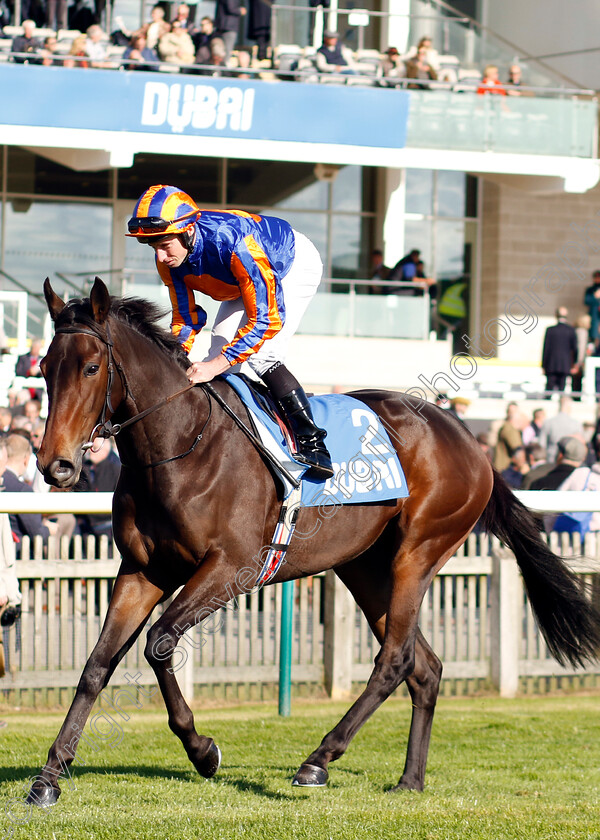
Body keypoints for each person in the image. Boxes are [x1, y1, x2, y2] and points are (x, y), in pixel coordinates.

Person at [126, 184, 334, 478]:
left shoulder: (237, 244)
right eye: (153, 247)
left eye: (164, 246)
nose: (159, 257)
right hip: (240, 278)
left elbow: (265, 320)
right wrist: (172, 359)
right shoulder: (170, 260)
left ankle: (313, 442)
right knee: (218, 355)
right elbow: (185, 319)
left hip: (287, 265)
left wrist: (215, 365)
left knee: (261, 354)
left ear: (186, 232)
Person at [2, 434, 58, 551]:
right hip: (16, 555)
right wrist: (49, 530)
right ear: (26, 459)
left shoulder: (5, 481)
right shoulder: (22, 490)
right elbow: (37, 534)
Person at [77, 442, 121, 542]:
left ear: (105, 450)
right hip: (85, 528)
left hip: (109, 529)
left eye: (94, 448)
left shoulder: (115, 469)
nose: (90, 452)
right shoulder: (83, 468)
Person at [541, 306, 578, 395]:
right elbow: (575, 348)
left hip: (551, 364)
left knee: (549, 389)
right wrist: (574, 364)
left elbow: (546, 349)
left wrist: (543, 364)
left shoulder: (550, 330)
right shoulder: (570, 330)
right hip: (565, 364)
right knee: (562, 389)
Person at [538, 395, 584, 463]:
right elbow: (580, 443)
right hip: (569, 460)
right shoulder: (576, 423)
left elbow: (542, 444)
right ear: (569, 407)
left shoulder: (548, 422)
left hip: (551, 459)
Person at [493, 402, 524, 472]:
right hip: (506, 469)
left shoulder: (508, 427)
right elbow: (517, 450)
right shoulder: (509, 428)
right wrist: (523, 467)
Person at [583, 269, 600, 344]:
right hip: (594, 317)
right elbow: (587, 301)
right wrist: (595, 297)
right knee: (594, 335)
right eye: (596, 277)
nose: (597, 279)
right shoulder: (590, 290)